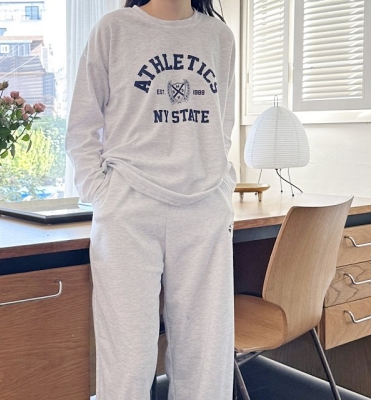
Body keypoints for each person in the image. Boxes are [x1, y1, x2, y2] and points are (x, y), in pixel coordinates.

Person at [66, 0, 236, 398]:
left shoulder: (219, 37)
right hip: (128, 210)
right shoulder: (114, 29)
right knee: (127, 357)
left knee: (206, 358)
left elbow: (222, 126)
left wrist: (222, 186)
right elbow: (82, 126)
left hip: (204, 211)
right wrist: (101, 194)